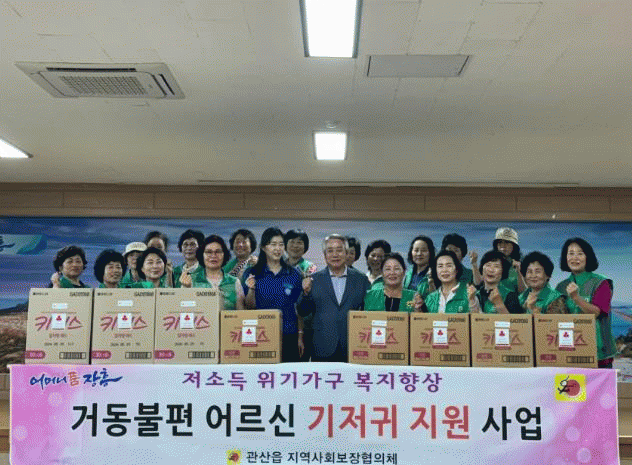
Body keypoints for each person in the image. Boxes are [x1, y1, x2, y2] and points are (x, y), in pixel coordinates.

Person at [297, 234, 370, 362]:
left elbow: (369, 311)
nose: (335, 255)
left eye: (339, 250)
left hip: (353, 346)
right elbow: (303, 311)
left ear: (346, 253)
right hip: (322, 347)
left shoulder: (361, 279)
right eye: (330, 251)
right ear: (325, 255)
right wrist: (306, 293)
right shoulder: (314, 280)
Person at [242, 228, 303, 363]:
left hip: (288, 334)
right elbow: (248, 307)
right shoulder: (252, 273)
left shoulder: (293, 274)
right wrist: (251, 290)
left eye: (281, 244)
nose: (278, 248)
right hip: (261, 335)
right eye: (273, 244)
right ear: (263, 247)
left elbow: (298, 309)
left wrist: (300, 336)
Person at [556, 238, 616, 368]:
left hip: (599, 354)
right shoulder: (561, 287)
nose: (575, 257)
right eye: (571, 253)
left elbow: (596, 313)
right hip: (570, 351)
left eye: (580, 253)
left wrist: (576, 298)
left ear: (588, 257)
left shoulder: (601, 283)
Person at [179, 235, 245, 310]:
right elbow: (183, 310)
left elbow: (241, 313)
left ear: (224, 255)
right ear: (202, 255)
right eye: (209, 252)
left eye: (218, 252)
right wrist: (186, 289)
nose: (213, 256)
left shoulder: (234, 282)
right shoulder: (190, 280)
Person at [284, 228, 317, 361]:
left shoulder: (310, 268)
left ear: (305, 247)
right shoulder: (278, 267)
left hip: (305, 326)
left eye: (299, 242)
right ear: (285, 244)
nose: (295, 246)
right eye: (292, 242)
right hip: (282, 324)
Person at [492, 227, 526, 293]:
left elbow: (524, 292)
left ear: (514, 246)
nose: (503, 246)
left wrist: (519, 272)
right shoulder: (489, 263)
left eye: (507, 242)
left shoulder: (522, 264)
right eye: (500, 242)